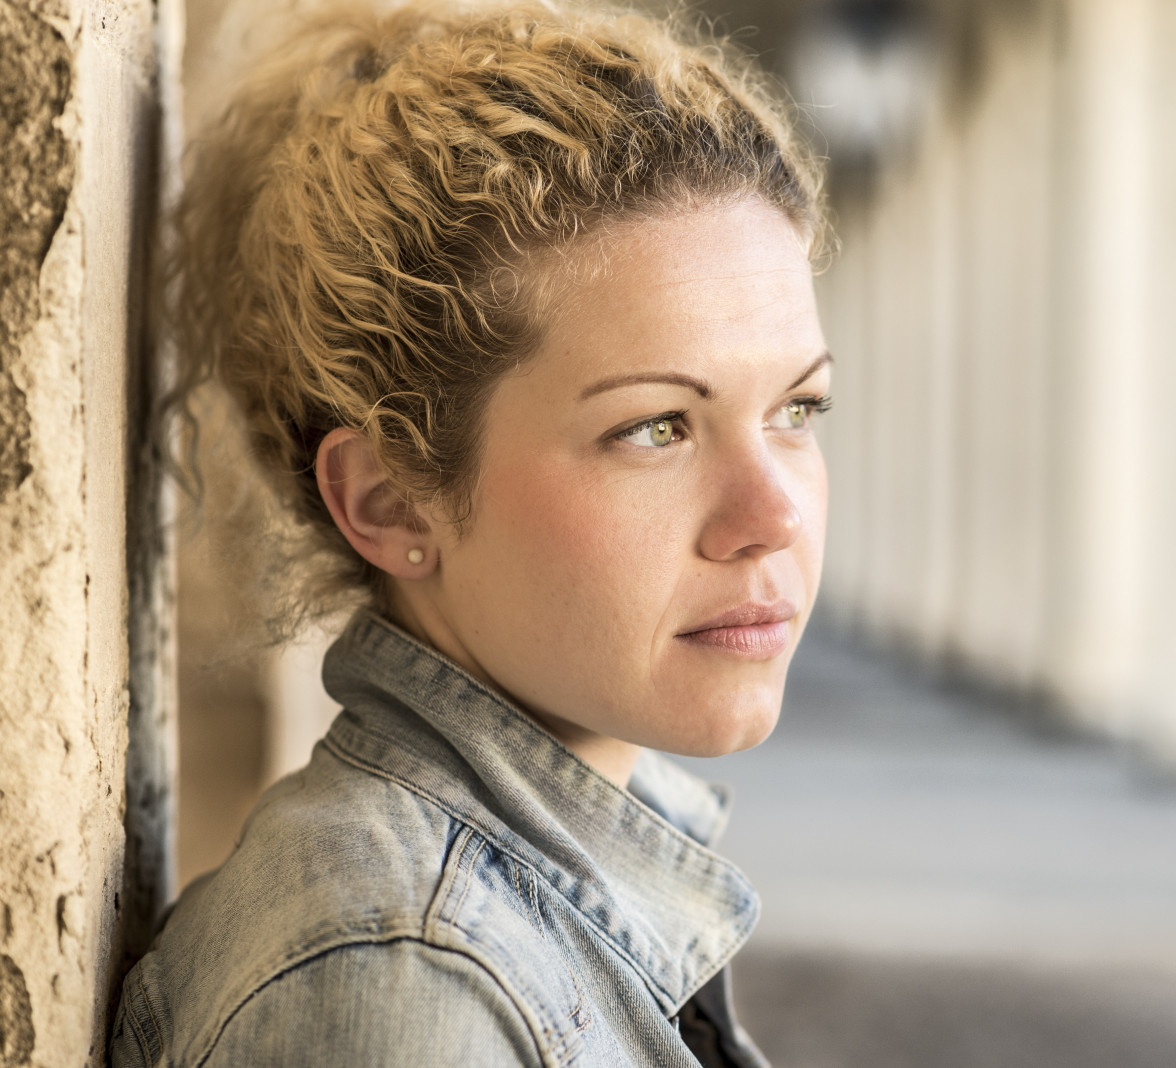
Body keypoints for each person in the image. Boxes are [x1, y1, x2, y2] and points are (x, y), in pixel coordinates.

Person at [112, 3, 830, 1065]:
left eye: (797, 411)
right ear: (391, 502)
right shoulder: (403, 978)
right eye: (652, 428)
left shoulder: (531, 895)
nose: (772, 515)